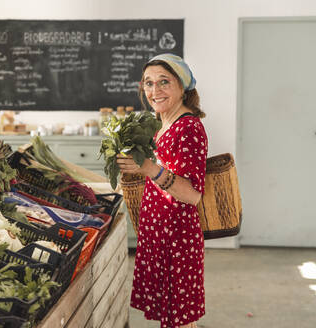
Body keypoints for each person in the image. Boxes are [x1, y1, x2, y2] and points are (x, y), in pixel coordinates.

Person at [117, 54, 208, 328]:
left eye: (164, 82)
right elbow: (162, 171)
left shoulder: (189, 127)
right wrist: (137, 167)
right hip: (160, 233)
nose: (154, 91)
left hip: (177, 239)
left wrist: (146, 167)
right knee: (171, 320)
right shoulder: (162, 123)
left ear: (182, 87)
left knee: (179, 321)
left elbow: (192, 194)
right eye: (148, 83)